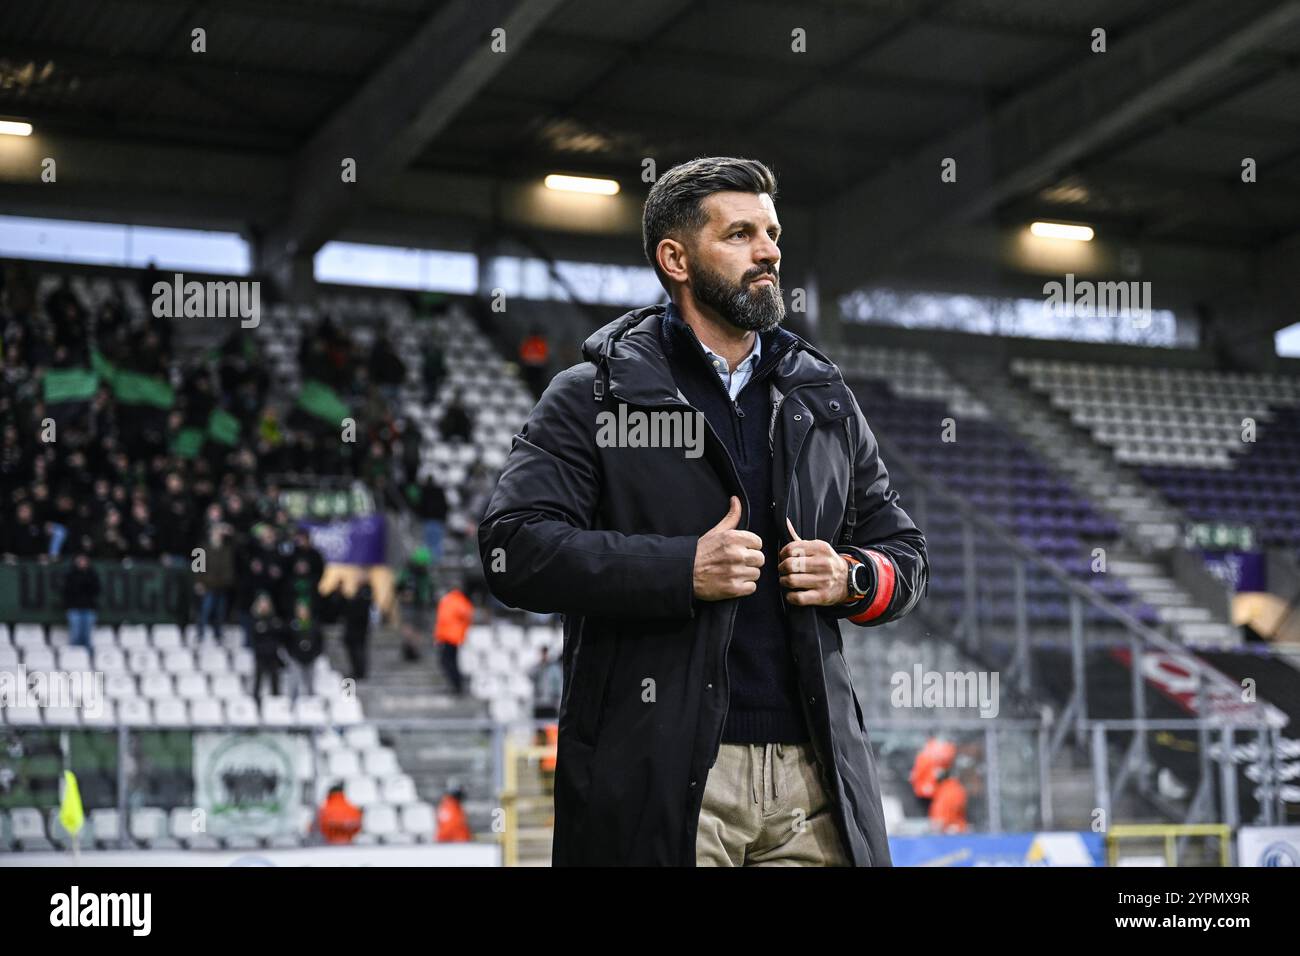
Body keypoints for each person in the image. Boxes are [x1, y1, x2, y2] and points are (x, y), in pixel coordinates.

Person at [478, 157, 928, 867]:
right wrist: (682, 567)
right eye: (741, 233)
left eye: (772, 233)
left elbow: (904, 553)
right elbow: (515, 550)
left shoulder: (824, 397)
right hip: (668, 773)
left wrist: (854, 578)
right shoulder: (592, 396)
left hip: (815, 777)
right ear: (676, 258)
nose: (770, 251)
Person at [394, 547, 435, 662]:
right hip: (410, 604)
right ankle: (410, 648)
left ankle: (414, 649)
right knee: (410, 626)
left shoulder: (423, 573)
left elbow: (430, 587)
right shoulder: (407, 572)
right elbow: (398, 587)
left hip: (421, 603)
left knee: (418, 627)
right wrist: (403, 594)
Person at [195, 526, 235, 642]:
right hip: (208, 585)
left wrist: (231, 533)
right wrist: (199, 582)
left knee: (220, 612)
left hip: (222, 585)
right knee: (205, 610)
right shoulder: (202, 547)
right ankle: (200, 634)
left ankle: (218, 635)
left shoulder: (227, 548)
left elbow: (229, 567)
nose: (218, 535)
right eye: (216, 532)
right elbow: (197, 567)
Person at [434, 582, 472, 697]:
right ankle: (456, 685)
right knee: (449, 662)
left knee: (447, 662)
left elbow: (442, 621)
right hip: (453, 637)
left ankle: (457, 686)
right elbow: (466, 616)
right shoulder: (460, 601)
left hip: (449, 637)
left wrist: (439, 637)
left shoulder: (449, 601)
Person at [248, 592, 286, 702]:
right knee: (258, 679)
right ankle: (255, 702)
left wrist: (267, 630)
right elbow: (254, 637)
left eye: (266, 603)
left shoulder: (274, 619)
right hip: (260, 654)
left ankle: (276, 702)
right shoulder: (254, 619)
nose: (264, 606)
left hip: (273, 654)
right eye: (262, 603)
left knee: (275, 678)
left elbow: (278, 633)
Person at [283, 601, 323, 701]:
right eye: (300, 610)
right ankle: (292, 703)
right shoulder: (292, 625)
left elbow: (320, 641)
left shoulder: (313, 624)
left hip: (311, 658)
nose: (302, 612)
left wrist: (315, 654)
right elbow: (286, 641)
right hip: (296, 658)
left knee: (310, 681)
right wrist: (291, 655)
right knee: (294, 682)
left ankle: (312, 703)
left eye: (304, 610)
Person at [62, 552, 101, 650]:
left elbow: (96, 590)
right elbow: (67, 591)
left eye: (84, 561)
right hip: (74, 609)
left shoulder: (92, 574)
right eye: (80, 561)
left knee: (87, 637)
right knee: (75, 636)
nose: (82, 563)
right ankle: (74, 659)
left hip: (88, 608)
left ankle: (88, 661)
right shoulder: (70, 575)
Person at [340, 582, 373, 680]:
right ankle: (358, 671)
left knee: (358, 652)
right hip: (357, 630)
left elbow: (356, 612)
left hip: (358, 630)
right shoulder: (362, 598)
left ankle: (359, 672)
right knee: (356, 651)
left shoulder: (363, 598)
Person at [528, 645, 563, 719]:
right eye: (543, 653)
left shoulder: (555, 669)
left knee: (551, 727)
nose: (545, 655)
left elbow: (558, 684)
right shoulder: (537, 667)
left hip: (551, 703)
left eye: (546, 653)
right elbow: (530, 675)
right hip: (539, 703)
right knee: (539, 728)